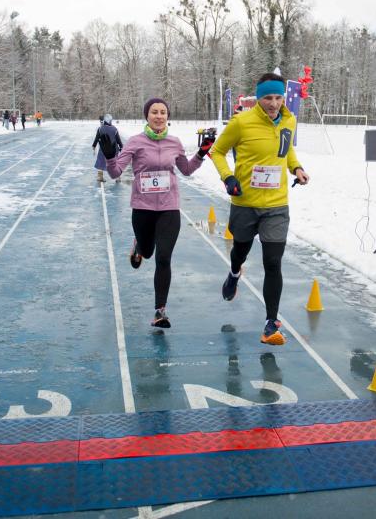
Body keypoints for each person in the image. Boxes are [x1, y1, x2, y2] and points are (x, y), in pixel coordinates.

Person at [209, 72, 309, 346]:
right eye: (268, 98)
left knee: (273, 263)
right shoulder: (241, 122)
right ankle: (234, 273)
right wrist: (228, 178)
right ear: (258, 97)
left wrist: (296, 168)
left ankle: (270, 323)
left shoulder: (289, 120)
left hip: (276, 205)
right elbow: (216, 152)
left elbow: (286, 151)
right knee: (239, 251)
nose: (274, 103)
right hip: (245, 202)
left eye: (278, 97)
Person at [102, 98, 214, 328]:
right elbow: (115, 173)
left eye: (163, 112)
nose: (159, 116)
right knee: (149, 252)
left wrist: (202, 154)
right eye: (154, 112)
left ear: (168, 116)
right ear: (147, 116)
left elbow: (186, 170)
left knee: (164, 258)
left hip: (169, 207)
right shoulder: (135, 142)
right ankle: (140, 246)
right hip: (143, 208)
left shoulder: (175, 142)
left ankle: (160, 311)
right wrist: (109, 155)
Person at [92, 114, 123, 183]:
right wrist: (121, 148)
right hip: (113, 150)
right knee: (115, 164)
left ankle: (100, 177)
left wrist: (94, 146)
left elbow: (96, 139)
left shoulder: (100, 129)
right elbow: (118, 141)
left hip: (103, 150)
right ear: (110, 121)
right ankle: (118, 177)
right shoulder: (114, 129)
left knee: (101, 162)